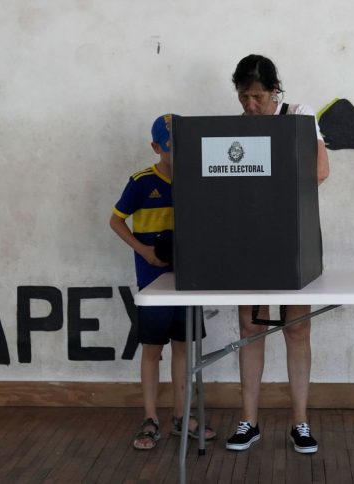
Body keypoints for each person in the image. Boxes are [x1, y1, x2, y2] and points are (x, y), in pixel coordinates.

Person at [224, 55, 329, 455]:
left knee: (297, 329)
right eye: (243, 97)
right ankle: (248, 421)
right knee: (250, 328)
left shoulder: (299, 115)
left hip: (292, 237)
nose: (250, 105)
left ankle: (299, 422)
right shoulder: (235, 128)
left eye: (256, 97)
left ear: (274, 92)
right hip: (250, 237)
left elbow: (320, 170)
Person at [110, 114, 216, 450]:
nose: (178, 154)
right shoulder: (141, 182)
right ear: (156, 147)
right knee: (152, 350)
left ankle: (182, 416)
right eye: (171, 148)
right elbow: (116, 221)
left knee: (184, 347)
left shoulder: (197, 179)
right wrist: (142, 249)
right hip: (152, 281)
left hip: (187, 280)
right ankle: (151, 417)